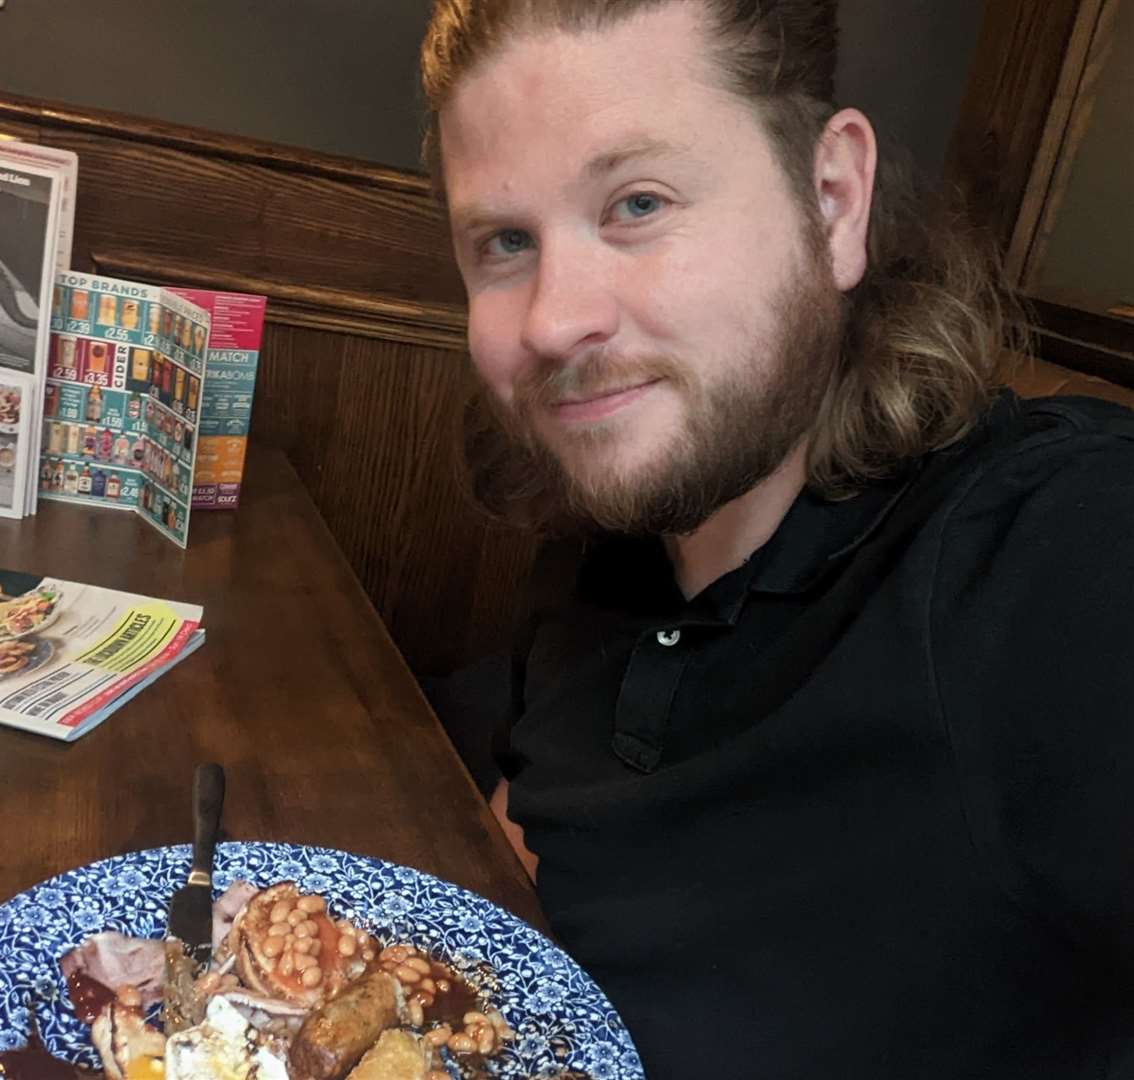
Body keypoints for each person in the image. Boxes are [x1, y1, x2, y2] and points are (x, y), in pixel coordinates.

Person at [419, 1, 1134, 1076]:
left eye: (636, 203)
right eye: (504, 242)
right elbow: (533, 819)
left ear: (832, 200)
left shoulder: (1047, 548)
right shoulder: (614, 528)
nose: (551, 321)